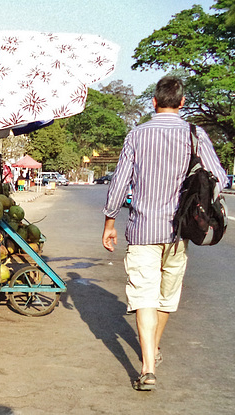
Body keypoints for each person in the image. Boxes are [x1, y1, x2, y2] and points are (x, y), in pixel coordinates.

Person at [102, 77, 227, 391]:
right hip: (179, 233)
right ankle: (153, 351)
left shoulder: (137, 135)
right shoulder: (195, 134)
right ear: (182, 103)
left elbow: (119, 184)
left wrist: (109, 222)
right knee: (166, 297)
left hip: (143, 229)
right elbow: (220, 178)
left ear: (153, 102)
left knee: (143, 296)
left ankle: (146, 367)